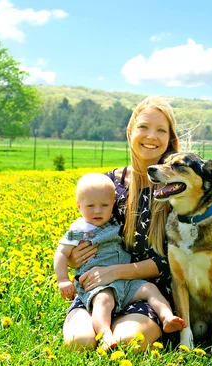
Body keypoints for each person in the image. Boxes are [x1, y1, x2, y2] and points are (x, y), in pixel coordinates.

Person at [62, 96, 180, 351]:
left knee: (128, 342)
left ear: (170, 139)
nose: (151, 136)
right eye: (144, 127)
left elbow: (173, 259)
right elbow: (81, 232)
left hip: (147, 291)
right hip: (97, 288)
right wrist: (73, 259)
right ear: (130, 131)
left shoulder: (176, 189)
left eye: (161, 130)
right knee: (79, 343)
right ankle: (99, 323)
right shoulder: (106, 185)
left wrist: (116, 271)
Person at [55, 173, 184, 350]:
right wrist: (63, 278)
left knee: (150, 289)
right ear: (79, 206)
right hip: (99, 285)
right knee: (103, 301)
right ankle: (105, 333)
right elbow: (61, 252)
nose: (98, 211)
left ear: (113, 205)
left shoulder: (113, 222)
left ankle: (167, 317)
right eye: (90, 206)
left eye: (104, 206)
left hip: (127, 283)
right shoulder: (79, 229)